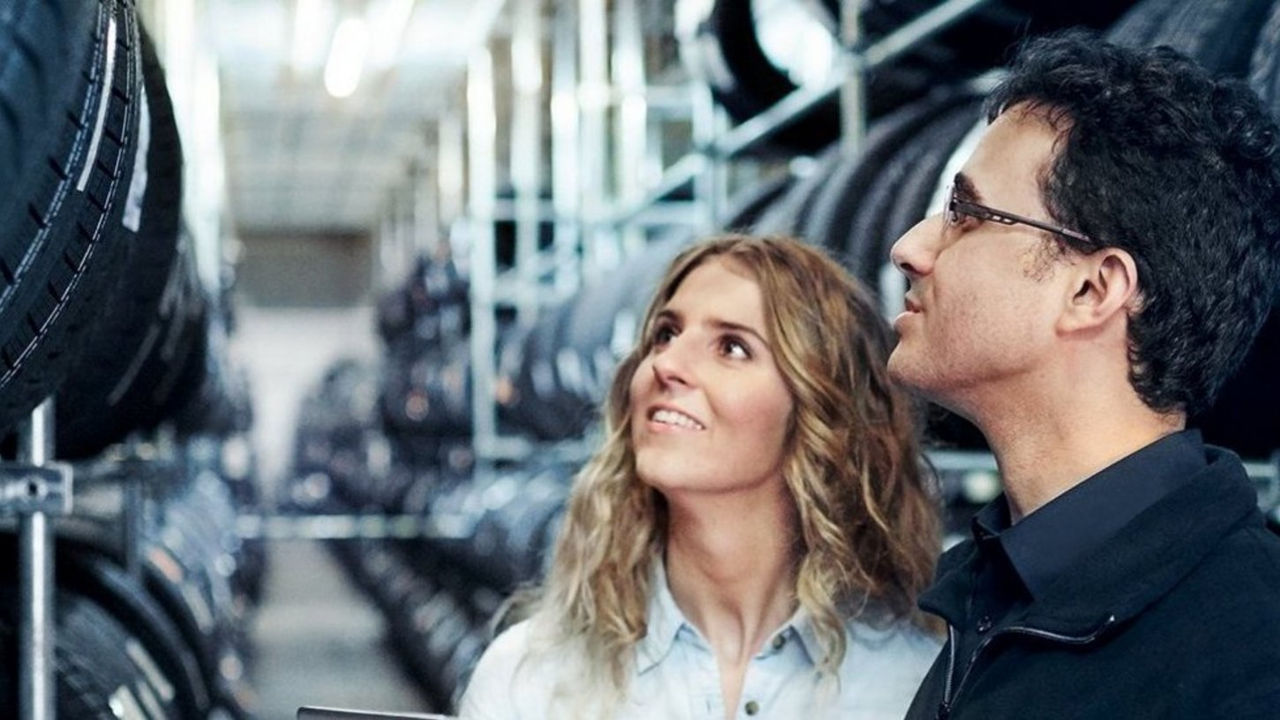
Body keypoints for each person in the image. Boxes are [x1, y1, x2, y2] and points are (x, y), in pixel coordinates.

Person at [887, 30, 1280, 720]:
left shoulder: (1249, 653)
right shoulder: (993, 593)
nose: (909, 248)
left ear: (1093, 292)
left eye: (963, 215)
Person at [459, 235, 942, 719]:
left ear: (823, 413)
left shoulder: (913, 689)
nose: (666, 365)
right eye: (665, 334)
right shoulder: (529, 680)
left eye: (731, 347)